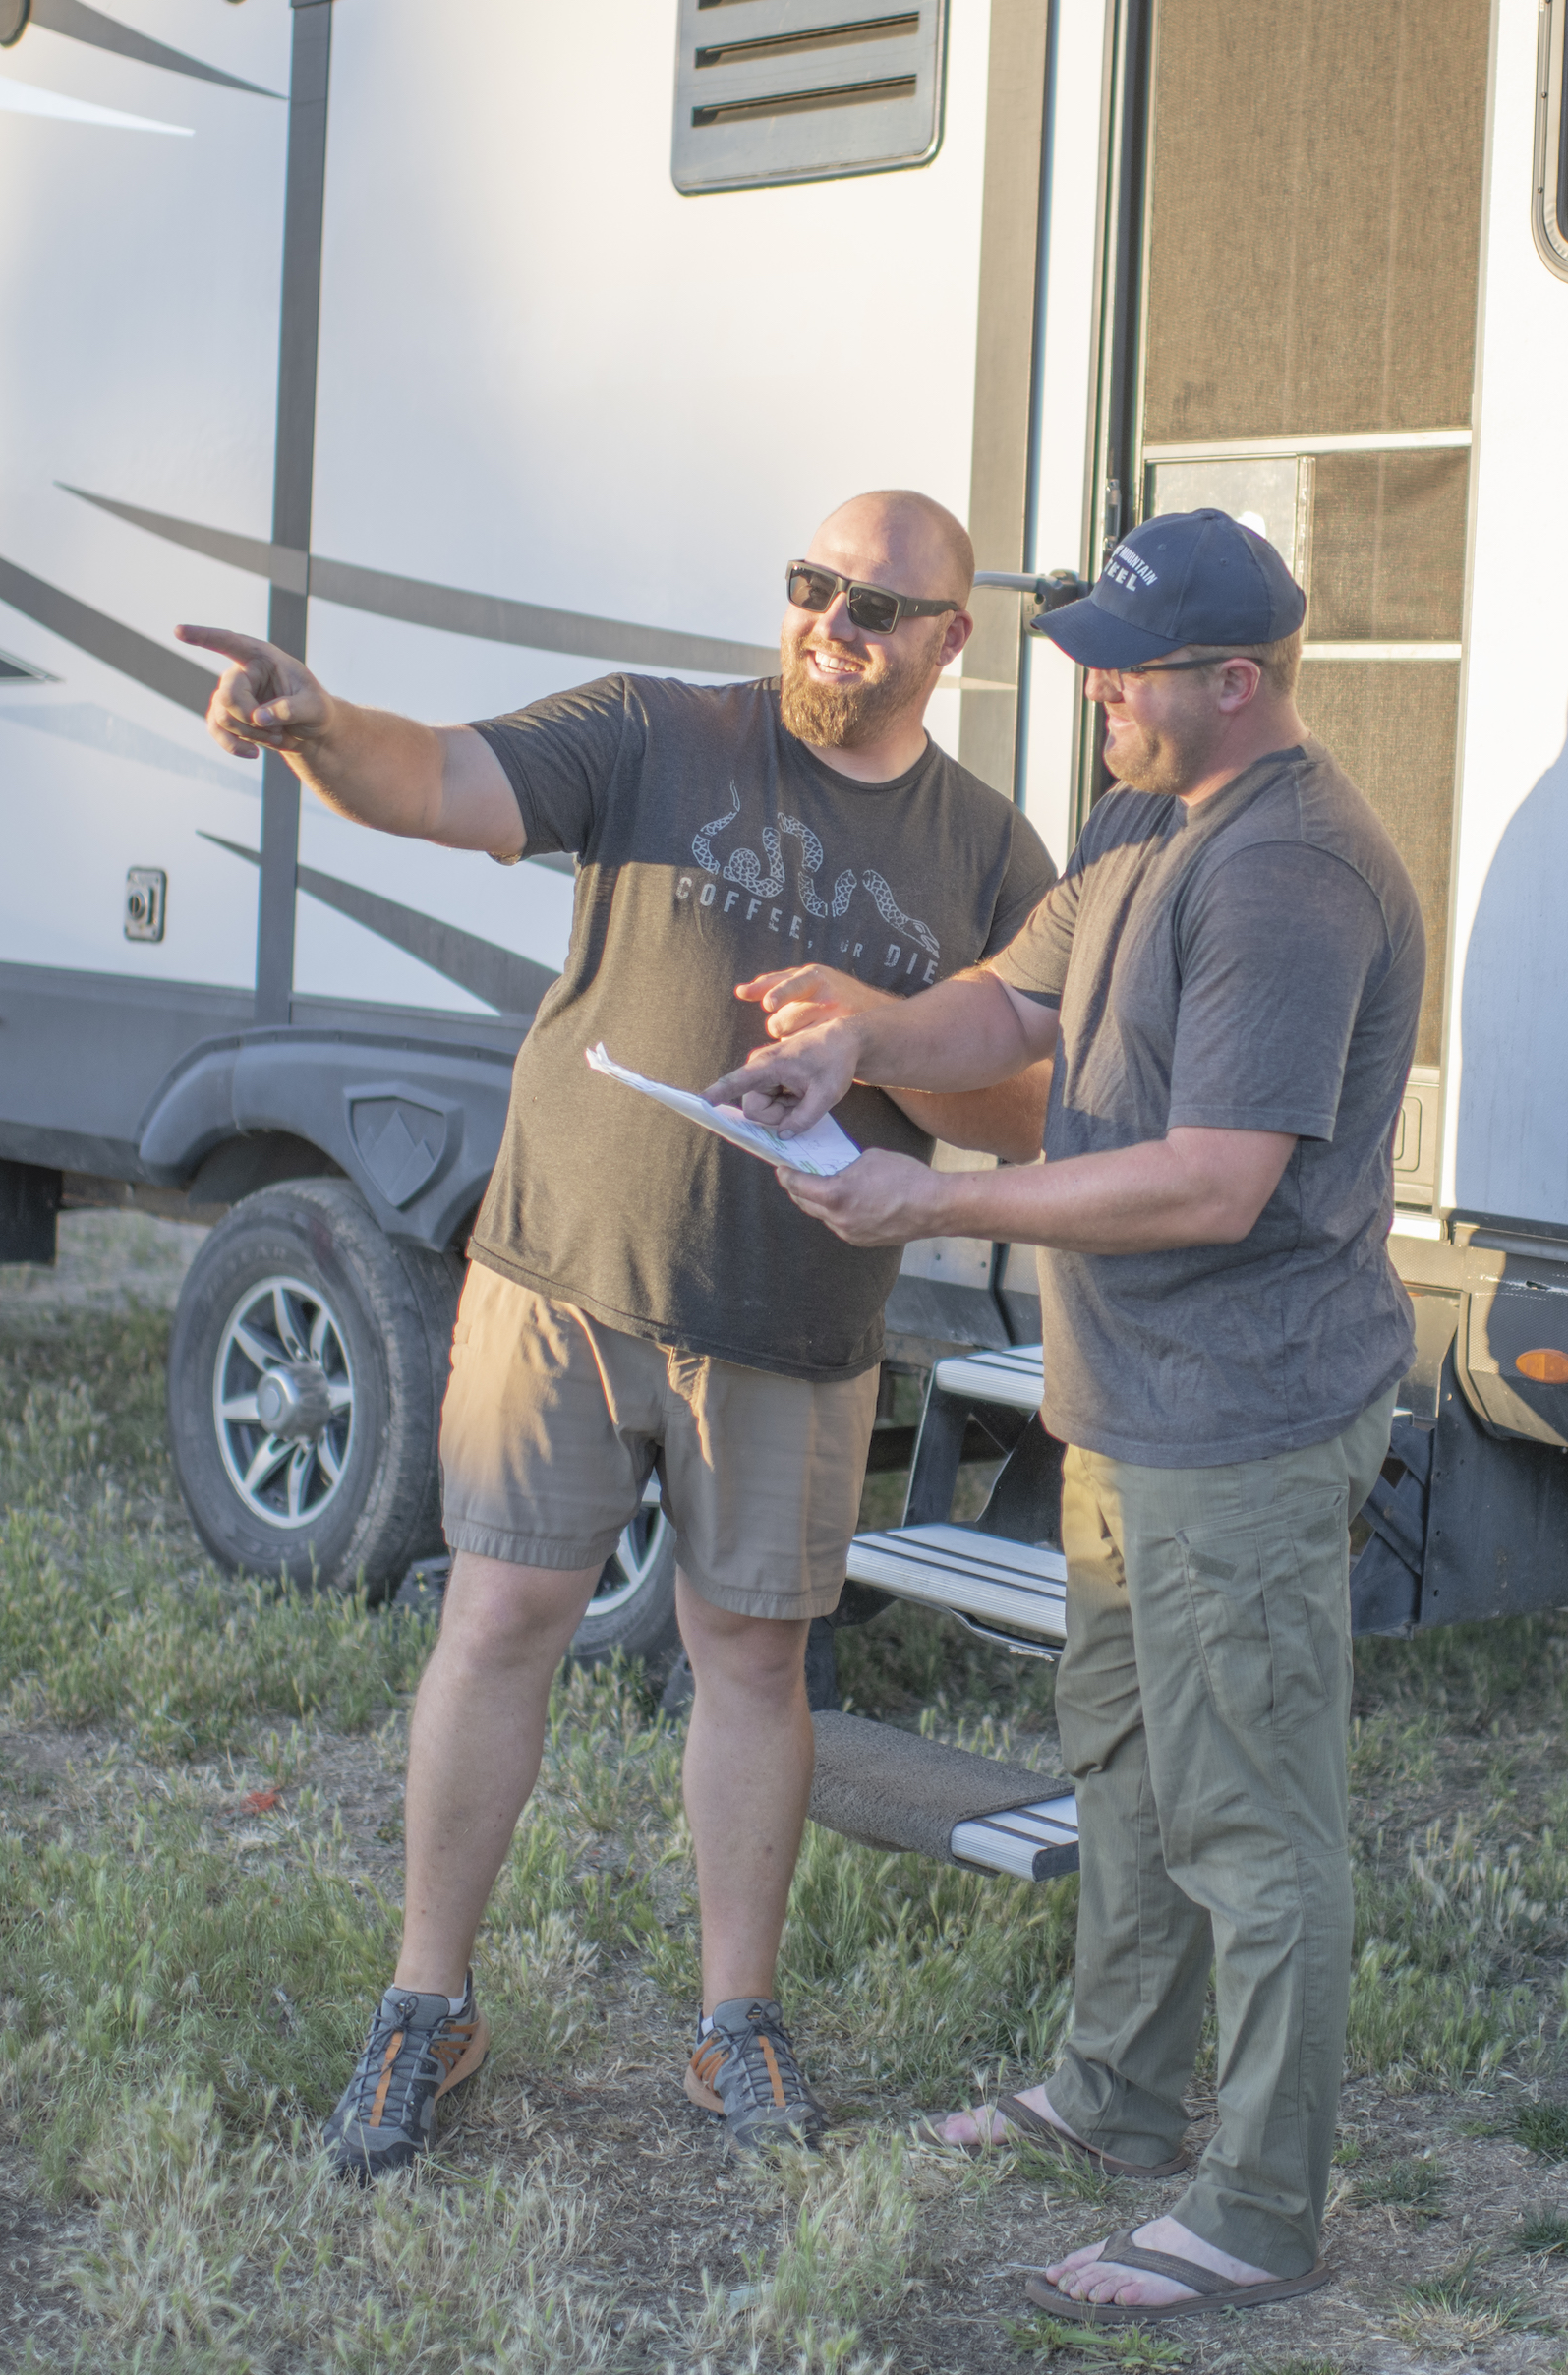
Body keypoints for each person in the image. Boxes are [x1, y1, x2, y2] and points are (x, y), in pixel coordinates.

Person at [177, 492, 1057, 2176]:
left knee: (753, 1655)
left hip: (796, 1321)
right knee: (500, 1616)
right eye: (813, 589)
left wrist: (878, 1038)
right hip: (566, 1277)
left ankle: (735, 2029)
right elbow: (432, 777)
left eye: (878, 608)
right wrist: (313, 725)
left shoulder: (987, 852)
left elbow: (1022, 1112)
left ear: (952, 639)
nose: (832, 627)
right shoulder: (656, 734)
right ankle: (425, 2007)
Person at [708, 509, 1424, 2325]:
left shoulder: (1285, 873)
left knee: (1250, 1819)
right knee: (1124, 1763)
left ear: (1235, 682)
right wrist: (859, 1044)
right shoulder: (1134, 818)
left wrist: (930, 1201)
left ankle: (1258, 2209)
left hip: (1244, 1422)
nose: (1093, 685)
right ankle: (1113, 2097)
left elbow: (1212, 1182)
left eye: (1130, 665)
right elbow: (1007, 1000)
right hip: (1132, 1404)